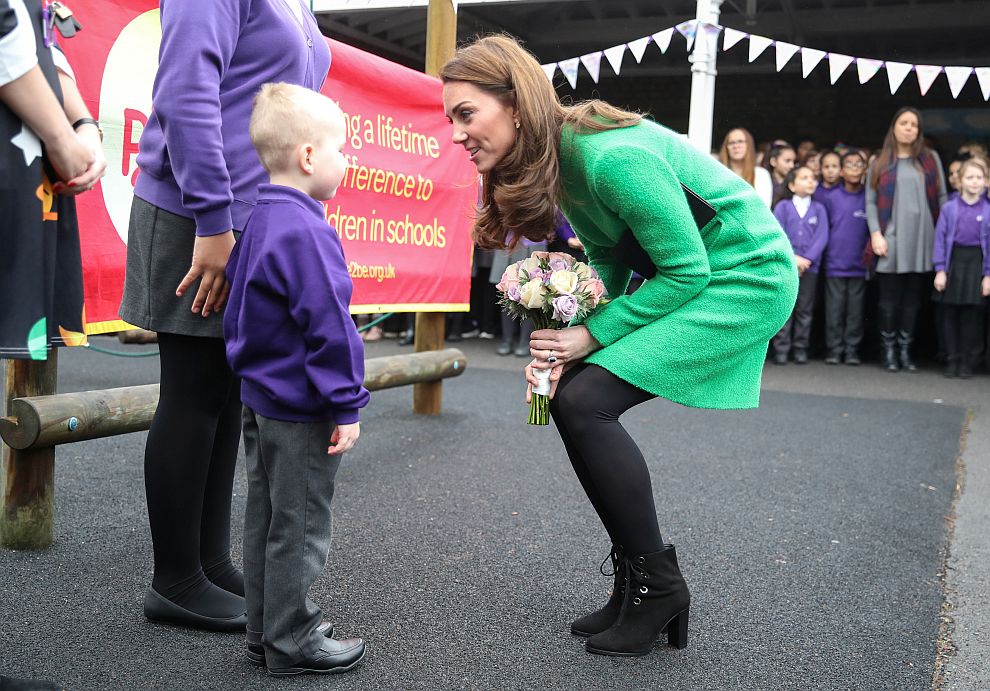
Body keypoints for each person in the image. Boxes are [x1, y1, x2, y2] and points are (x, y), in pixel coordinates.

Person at [441, 35, 797, 658]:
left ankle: (659, 589)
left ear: (516, 105)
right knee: (573, 395)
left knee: (586, 405)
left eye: (465, 114)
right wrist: (569, 341)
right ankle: (639, 580)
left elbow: (687, 272)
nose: (455, 133)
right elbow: (609, 253)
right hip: (706, 275)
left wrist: (592, 334)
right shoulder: (565, 160)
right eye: (451, 120)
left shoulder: (610, 159)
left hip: (746, 278)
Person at [118, 0, 331, 630]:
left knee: (224, 393)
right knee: (192, 390)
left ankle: (207, 563)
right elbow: (186, 92)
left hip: (254, 218)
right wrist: (213, 219)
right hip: (198, 216)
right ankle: (176, 579)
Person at [224, 82, 367, 676]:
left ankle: (265, 628)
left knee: (267, 517)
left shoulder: (260, 220)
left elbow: (239, 306)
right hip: (303, 405)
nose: (346, 161)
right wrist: (346, 404)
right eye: (341, 150)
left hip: (260, 398)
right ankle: (293, 639)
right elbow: (330, 326)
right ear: (309, 156)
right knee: (302, 524)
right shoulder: (310, 231)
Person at [0, 0, 106, 359]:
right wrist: (62, 139)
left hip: (30, 158)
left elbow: (36, 31)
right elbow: (6, 29)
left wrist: (83, 126)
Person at [866, 107, 947, 372]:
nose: (909, 128)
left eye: (914, 124)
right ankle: (888, 351)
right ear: (894, 127)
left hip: (924, 237)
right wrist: (876, 233)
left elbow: (943, 197)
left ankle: (905, 350)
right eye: (904, 123)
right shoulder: (878, 161)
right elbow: (870, 201)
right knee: (889, 300)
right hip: (891, 237)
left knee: (913, 301)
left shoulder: (930, 159)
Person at [932, 158, 990, 378]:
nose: (974, 182)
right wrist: (940, 269)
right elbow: (940, 239)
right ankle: (952, 358)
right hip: (953, 261)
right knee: (950, 314)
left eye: (979, 178)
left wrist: (988, 275)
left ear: (985, 182)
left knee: (971, 316)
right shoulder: (949, 208)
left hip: (976, 263)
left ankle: (967, 360)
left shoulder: (988, 210)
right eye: (970, 177)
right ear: (960, 181)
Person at [771, 166, 830, 365]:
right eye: (804, 178)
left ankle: (800, 348)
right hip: (787, 267)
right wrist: (793, 258)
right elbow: (778, 233)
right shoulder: (783, 207)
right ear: (792, 185)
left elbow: (822, 236)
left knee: (805, 308)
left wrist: (807, 260)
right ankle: (781, 349)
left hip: (810, 269)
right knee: (785, 307)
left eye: (813, 177)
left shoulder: (819, 209)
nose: (810, 181)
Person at [822, 151, 871, 365]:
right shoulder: (831, 197)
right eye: (849, 165)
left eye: (858, 164)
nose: (854, 168)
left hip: (859, 264)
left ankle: (851, 350)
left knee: (855, 312)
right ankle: (834, 349)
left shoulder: (868, 198)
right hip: (835, 263)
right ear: (842, 171)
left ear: (864, 170)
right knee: (834, 310)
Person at [717, 127, 773, 207]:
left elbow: (763, 207)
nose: (736, 146)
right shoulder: (719, 174)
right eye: (731, 143)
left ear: (749, 145)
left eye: (740, 141)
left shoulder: (761, 174)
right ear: (726, 147)